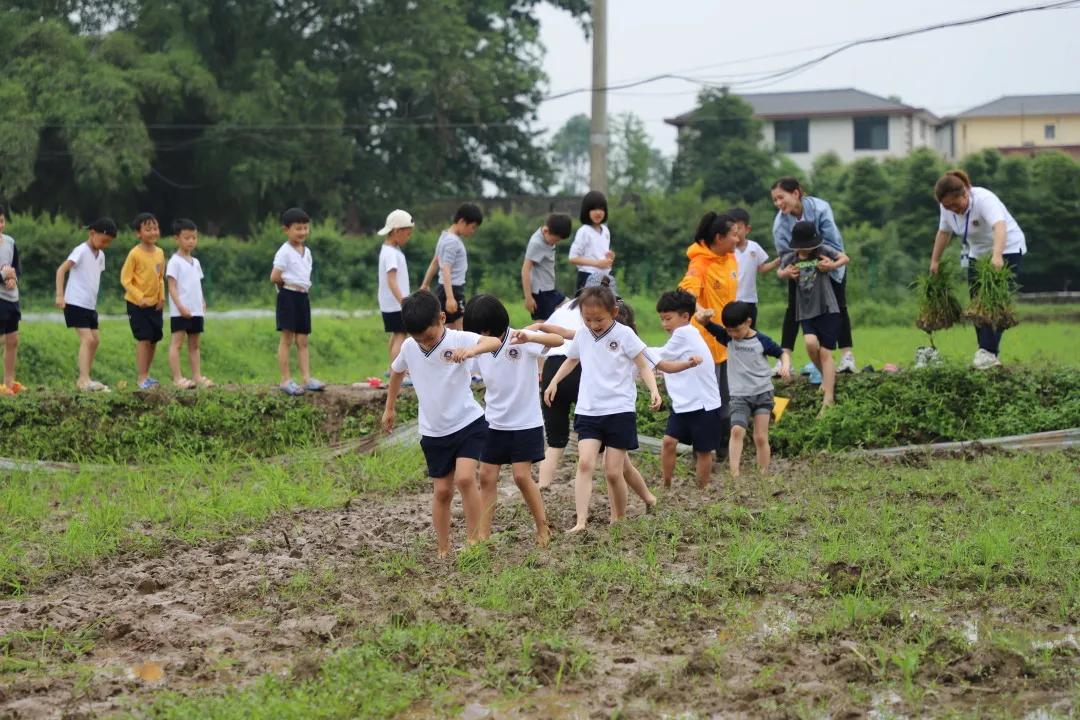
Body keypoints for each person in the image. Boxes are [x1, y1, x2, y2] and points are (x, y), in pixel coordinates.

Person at [381, 289, 502, 557]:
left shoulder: (458, 338)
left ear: (442, 319)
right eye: (419, 339)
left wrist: (471, 351)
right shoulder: (409, 347)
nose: (425, 343)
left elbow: (494, 342)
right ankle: (443, 549)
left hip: (468, 423)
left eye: (429, 337)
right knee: (442, 491)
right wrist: (389, 407)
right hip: (434, 431)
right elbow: (396, 371)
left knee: (465, 479)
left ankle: (474, 542)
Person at [530, 279, 657, 513]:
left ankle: (623, 516)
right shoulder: (583, 334)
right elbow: (571, 360)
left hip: (619, 410)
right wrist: (553, 382)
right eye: (587, 319)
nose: (593, 325)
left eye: (599, 320)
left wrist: (654, 390)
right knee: (585, 463)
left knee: (614, 471)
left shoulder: (625, 334)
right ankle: (581, 520)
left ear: (614, 312)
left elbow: (643, 365)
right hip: (589, 410)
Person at [464, 294, 562, 547]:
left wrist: (533, 336)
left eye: (483, 331)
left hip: (525, 422)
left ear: (492, 326)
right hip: (494, 422)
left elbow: (558, 340)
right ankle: (483, 535)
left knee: (521, 476)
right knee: (486, 477)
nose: (480, 336)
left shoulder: (520, 339)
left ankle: (543, 527)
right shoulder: (479, 348)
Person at [930, 169, 1027, 369]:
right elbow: (944, 232)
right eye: (947, 206)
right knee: (977, 304)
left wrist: (997, 256)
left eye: (955, 204)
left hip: (1006, 248)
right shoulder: (946, 207)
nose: (952, 209)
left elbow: (999, 227)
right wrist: (935, 261)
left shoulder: (984, 199)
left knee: (994, 300)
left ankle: (987, 352)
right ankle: (985, 353)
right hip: (978, 253)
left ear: (965, 194)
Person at [771, 177, 856, 374]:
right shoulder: (779, 224)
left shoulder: (820, 209)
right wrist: (788, 270)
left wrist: (828, 264)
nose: (778, 203)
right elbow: (784, 255)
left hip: (828, 264)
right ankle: (785, 359)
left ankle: (847, 356)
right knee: (793, 309)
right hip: (799, 270)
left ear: (796, 193)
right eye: (775, 200)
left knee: (839, 306)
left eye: (781, 197)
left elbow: (833, 243)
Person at [697, 301, 791, 477]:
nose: (733, 334)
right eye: (729, 330)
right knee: (737, 430)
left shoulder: (761, 341)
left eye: (736, 330)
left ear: (748, 322)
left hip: (762, 393)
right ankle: (734, 474)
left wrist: (785, 366)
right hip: (739, 396)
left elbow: (781, 353)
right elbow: (707, 325)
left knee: (760, 436)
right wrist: (704, 318)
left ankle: (763, 473)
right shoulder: (728, 338)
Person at [679, 211, 739, 455]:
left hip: (727, 341)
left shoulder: (731, 259)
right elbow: (686, 294)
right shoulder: (700, 264)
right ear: (719, 238)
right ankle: (702, 451)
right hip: (705, 343)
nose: (737, 239)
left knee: (726, 398)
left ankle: (723, 451)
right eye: (733, 234)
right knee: (707, 400)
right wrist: (701, 310)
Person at [651, 290, 723, 489]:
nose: (664, 324)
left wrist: (633, 350)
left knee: (703, 451)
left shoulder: (685, 333)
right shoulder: (685, 334)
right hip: (683, 403)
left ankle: (701, 491)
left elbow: (661, 355)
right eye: (662, 319)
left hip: (703, 404)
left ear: (685, 316)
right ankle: (666, 485)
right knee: (668, 442)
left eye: (668, 319)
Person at [778, 221, 849, 412]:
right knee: (810, 344)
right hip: (805, 310)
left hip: (827, 308)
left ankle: (828, 398)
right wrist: (786, 273)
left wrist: (831, 265)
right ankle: (828, 378)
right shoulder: (792, 257)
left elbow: (845, 258)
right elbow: (779, 272)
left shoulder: (821, 251)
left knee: (825, 352)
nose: (807, 248)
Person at [55, 218, 117, 392]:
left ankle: (86, 377)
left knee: (95, 340)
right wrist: (60, 295)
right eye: (103, 240)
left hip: (89, 306)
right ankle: (83, 380)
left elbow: (92, 277)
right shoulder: (81, 250)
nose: (105, 245)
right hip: (75, 302)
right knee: (87, 339)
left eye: (109, 242)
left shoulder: (101, 256)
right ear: (92, 233)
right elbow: (61, 270)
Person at [271, 207, 325, 396]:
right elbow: (274, 276)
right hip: (288, 296)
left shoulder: (307, 252)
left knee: (303, 340)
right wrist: (287, 287)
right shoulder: (284, 252)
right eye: (298, 228)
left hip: (303, 297)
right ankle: (285, 380)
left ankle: (307, 379)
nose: (302, 232)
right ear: (286, 230)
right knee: (287, 339)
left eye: (305, 228)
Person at [121, 213, 166, 390]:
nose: (153, 232)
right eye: (148, 229)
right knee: (144, 338)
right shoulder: (134, 254)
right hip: (137, 305)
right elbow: (125, 280)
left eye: (155, 228)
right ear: (138, 233)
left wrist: (161, 297)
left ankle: (147, 374)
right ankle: (141, 378)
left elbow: (160, 277)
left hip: (155, 305)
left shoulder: (160, 253)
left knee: (154, 339)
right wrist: (140, 298)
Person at [166, 218, 212, 389]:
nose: (191, 241)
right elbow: (171, 287)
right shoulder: (174, 262)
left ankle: (197, 376)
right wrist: (180, 307)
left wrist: (202, 302)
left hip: (196, 310)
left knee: (195, 345)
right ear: (177, 238)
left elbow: (197, 284)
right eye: (187, 238)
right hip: (181, 311)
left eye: (194, 237)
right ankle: (177, 378)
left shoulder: (196, 262)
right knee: (177, 344)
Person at [421, 203, 483, 330]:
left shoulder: (444, 237)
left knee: (448, 327)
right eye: (472, 227)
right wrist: (450, 298)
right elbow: (446, 269)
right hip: (452, 289)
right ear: (462, 221)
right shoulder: (452, 242)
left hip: (444, 289)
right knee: (460, 327)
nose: (473, 231)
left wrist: (425, 284)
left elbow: (436, 261)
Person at [376, 209, 415, 373]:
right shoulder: (391, 253)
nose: (408, 237)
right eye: (407, 234)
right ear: (397, 231)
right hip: (396, 304)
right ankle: (397, 372)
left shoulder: (389, 249)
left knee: (396, 334)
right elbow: (391, 280)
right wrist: (403, 302)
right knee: (400, 336)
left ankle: (391, 368)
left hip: (389, 304)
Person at [728, 207, 779, 329]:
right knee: (732, 331)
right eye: (732, 229)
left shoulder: (754, 247)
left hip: (749, 299)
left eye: (738, 228)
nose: (735, 232)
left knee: (750, 331)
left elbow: (761, 268)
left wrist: (777, 262)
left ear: (747, 229)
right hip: (731, 300)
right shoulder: (727, 250)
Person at [522, 213, 572, 321]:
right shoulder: (536, 243)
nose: (556, 243)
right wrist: (528, 297)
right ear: (545, 231)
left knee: (571, 308)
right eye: (556, 240)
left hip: (550, 290)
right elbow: (526, 269)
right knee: (543, 325)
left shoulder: (548, 236)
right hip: (541, 293)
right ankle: (519, 332)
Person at [568, 191, 614, 292]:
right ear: (586, 211)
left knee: (618, 301)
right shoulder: (584, 231)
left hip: (605, 278)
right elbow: (572, 258)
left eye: (601, 209)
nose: (598, 212)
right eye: (594, 209)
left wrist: (610, 258)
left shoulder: (605, 231)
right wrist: (597, 263)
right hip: (588, 277)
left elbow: (600, 255)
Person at [0, 204, 24, 395]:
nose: (0, 225)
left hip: (11, 298)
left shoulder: (10, 242)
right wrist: (3, 276)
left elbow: (16, 267)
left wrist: (13, 279)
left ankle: (9, 383)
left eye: (1, 221)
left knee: (12, 340)